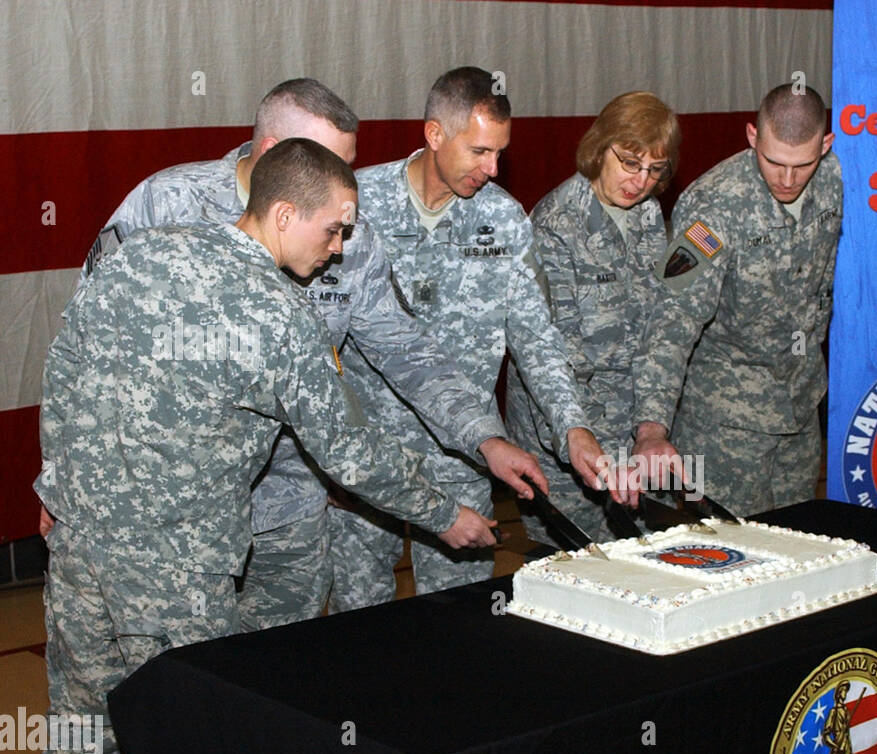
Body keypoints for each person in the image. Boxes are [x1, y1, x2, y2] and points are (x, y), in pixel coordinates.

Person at [23, 140, 496, 754]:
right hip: (182, 567)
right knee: (188, 750)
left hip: (82, 546)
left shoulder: (141, 257)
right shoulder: (278, 314)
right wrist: (443, 513)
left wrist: (55, 488)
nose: (340, 247)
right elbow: (348, 451)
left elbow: (63, 372)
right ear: (284, 216)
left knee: (79, 723)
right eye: (335, 230)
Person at [82, 78, 543, 625]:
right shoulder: (168, 204)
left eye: (350, 164)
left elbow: (406, 349)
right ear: (279, 154)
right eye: (330, 163)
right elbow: (88, 343)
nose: (346, 184)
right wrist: (62, 478)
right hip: (169, 510)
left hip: (289, 507)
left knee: (282, 675)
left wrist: (482, 435)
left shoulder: (350, 235)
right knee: (170, 682)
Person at [356, 67, 609, 591]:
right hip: (368, 456)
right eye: (479, 152)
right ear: (434, 135)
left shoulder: (504, 221)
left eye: (500, 152)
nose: (493, 169)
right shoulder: (357, 206)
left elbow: (536, 340)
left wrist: (572, 426)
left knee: (461, 625)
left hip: (464, 454)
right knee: (361, 627)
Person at [631, 83, 841, 518]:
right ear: (751, 137)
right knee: (729, 558)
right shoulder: (711, 208)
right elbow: (671, 319)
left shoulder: (835, 181)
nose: (787, 179)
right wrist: (651, 428)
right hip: (725, 427)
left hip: (801, 413)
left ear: (826, 144)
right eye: (774, 161)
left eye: (803, 164)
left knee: (797, 548)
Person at [504, 92, 680, 543]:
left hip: (630, 433)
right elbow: (550, 355)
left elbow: (658, 330)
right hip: (568, 440)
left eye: (654, 170)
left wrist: (649, 427)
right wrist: (597, 447)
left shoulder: (646, 215)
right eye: (628, 163)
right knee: (570, 578)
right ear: (599, 148)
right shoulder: (554, 225)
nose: (640, 182)